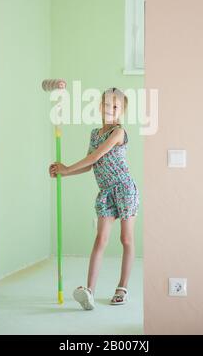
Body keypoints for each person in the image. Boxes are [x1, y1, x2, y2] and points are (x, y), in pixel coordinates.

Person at [49, 87, 139, 310]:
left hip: (124, 189)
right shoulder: (94, 134)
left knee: (126, 239)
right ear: (100, 107)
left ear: (121, 112)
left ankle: (122, 287)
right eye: (107, 105)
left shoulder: (119, 132)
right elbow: (91, 164)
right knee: (101, 240)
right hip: (106, 192)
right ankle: (89, 291)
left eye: (115, 106)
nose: (110, 109)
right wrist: (64, 172)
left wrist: (67, 168)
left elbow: (96, 155)